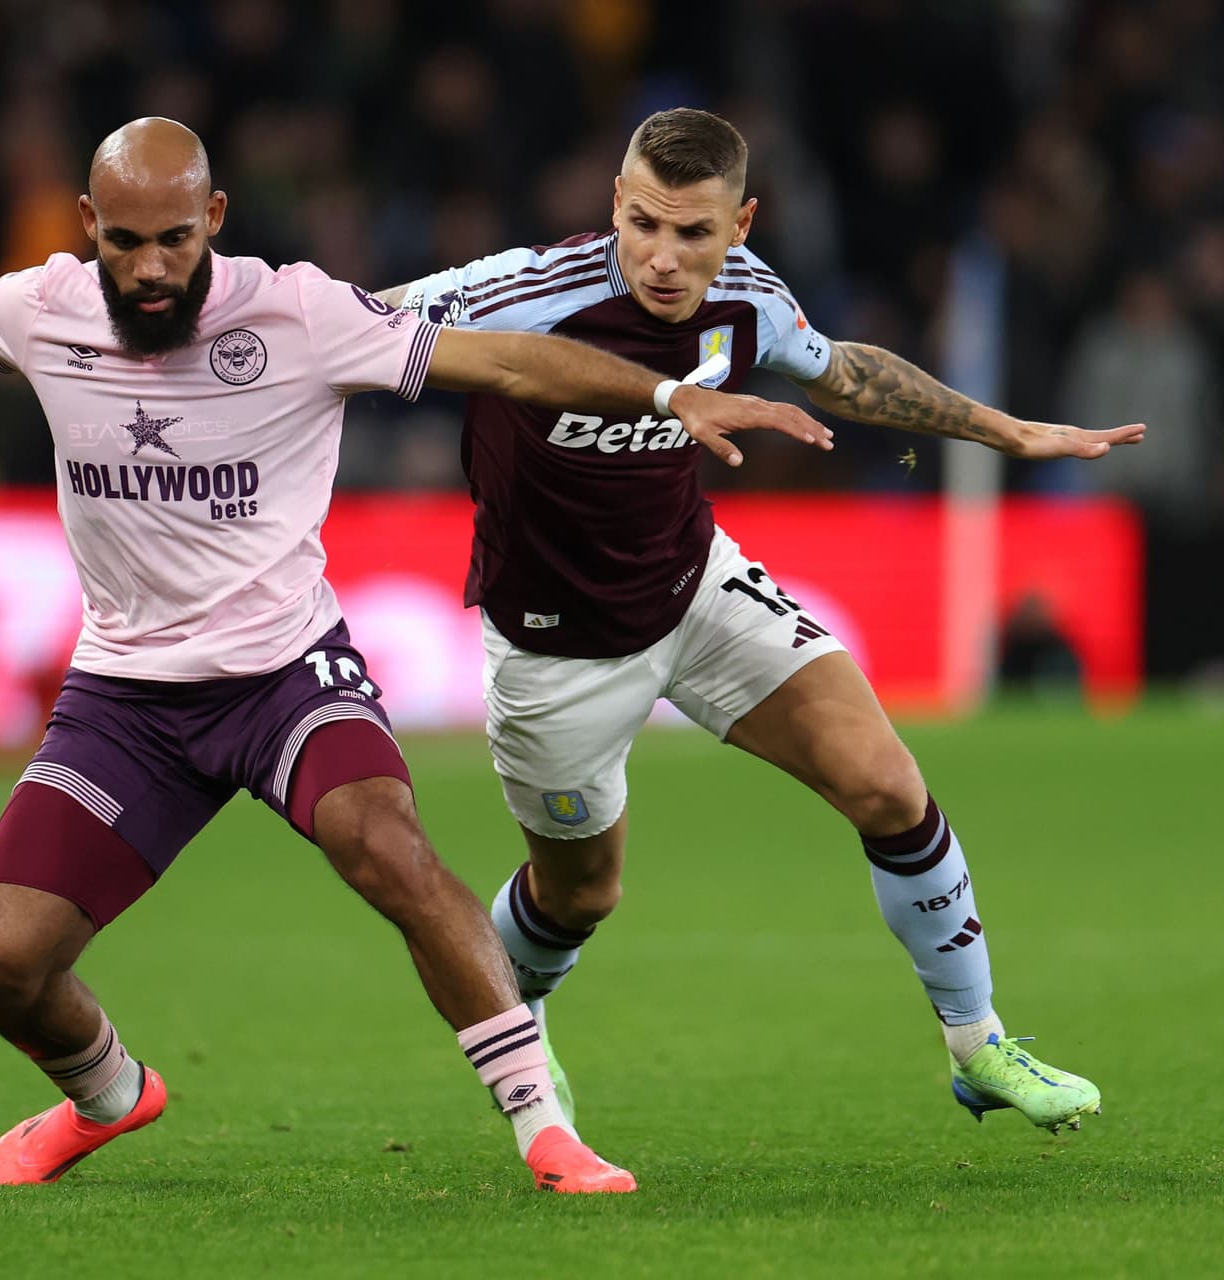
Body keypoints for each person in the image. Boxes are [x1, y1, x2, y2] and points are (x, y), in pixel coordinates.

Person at [0, 117, 829, 1193]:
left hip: (286, 674)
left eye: (173, 239)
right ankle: (109, 1091)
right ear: (87, 227)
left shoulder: (298, 311)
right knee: (0, 957)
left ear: (214, 219)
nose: (148, 267)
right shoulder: (44, 308)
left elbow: (505, 357)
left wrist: (666, 400)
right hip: (126, 699)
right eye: (123, 241)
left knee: (388, 845)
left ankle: (546, 1129)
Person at [378, 108, 1146, 1134]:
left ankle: (979, 1043)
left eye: (693, 233)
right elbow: (337, 326)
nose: (662, 257)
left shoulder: (749, 299)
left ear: (740, 223)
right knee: (579, 895)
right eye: (643, 223)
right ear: (615, 202)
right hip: (556, 642)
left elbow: (845, 371)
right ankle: (519, 1030)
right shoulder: (517, 292)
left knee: (887, 782)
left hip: (696, 589)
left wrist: (1002, 429)